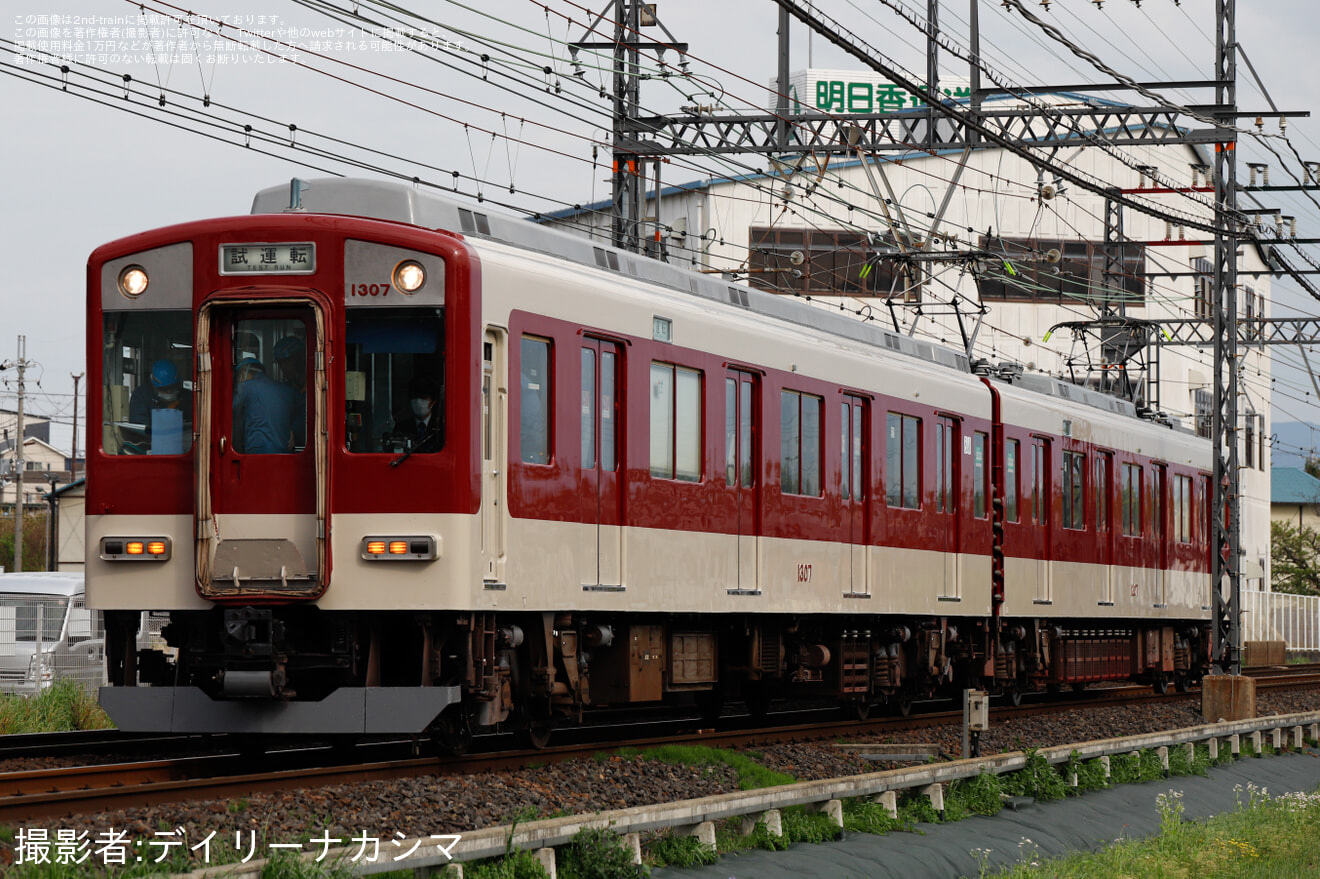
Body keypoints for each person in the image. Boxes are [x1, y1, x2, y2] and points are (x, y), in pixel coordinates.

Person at [232, 357, 298, 454]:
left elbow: (230, 412)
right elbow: (303, 414)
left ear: (243, 373)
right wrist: (294, 431)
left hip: (256, 450)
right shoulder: (286, 390)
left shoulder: (245, 387)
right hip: (284, 451)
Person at [127, 359, 192, 452]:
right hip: (149, 448)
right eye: (164, 389)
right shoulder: (141, 396)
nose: (169, 392)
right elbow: (139, 429)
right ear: (153, 385)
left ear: (179, 383)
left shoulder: (188, 397)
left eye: (172, 387)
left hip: (182, 448)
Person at [391, 375, 443, 453]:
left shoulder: (442, 427)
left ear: (433, 402)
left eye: (423, 397)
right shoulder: (401, 428)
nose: (418, 401)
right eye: (414, 397)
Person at [272, 336, 307, 448]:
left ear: (300, 360)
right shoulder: (285, 390)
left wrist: (295, 431)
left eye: (287, 361)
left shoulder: (317, 388)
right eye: (280, 363)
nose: (283, 367)